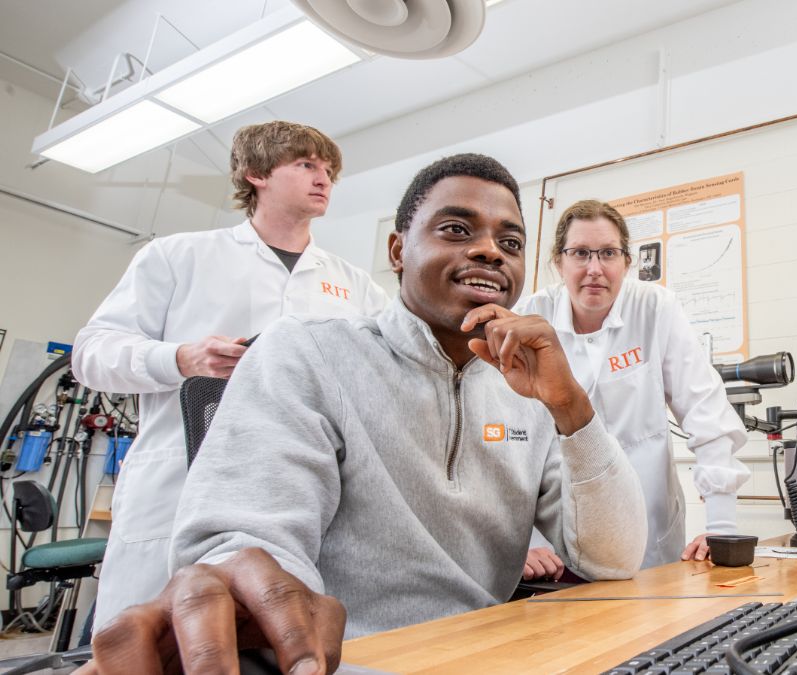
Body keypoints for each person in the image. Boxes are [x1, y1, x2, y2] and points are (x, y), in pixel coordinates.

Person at [80, 154, 646, 674]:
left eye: (511, 242)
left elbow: (614, 560)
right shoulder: (308, 352)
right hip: (348, 659)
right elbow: (252, 542)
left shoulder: (526, 390)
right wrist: (247, 588)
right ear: (398, 252)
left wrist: (571, 406)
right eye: (456, 229)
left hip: (482, 652)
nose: (490, 251)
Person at [72, 121, 389, 626]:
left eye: (329, 170)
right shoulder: (178, 256)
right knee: (147, 640)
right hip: (180, 484)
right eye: (306, 164)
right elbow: (90, 354)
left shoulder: (353, 285)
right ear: (256, 172)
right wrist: (180, 358)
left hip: (304, 495)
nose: (323, 178)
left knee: (268, 642)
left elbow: (384, 377)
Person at [516, 199, 749, 579]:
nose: (594, 268)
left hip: (649, 534)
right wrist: (524, 541)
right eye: (580, 253)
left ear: (627, 261)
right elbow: (506, 444)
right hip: (554, 546)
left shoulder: (655, 309)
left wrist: (722, 529)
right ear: (559, 262)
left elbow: (707, 413)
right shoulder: (530, 317)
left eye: (608, 253)